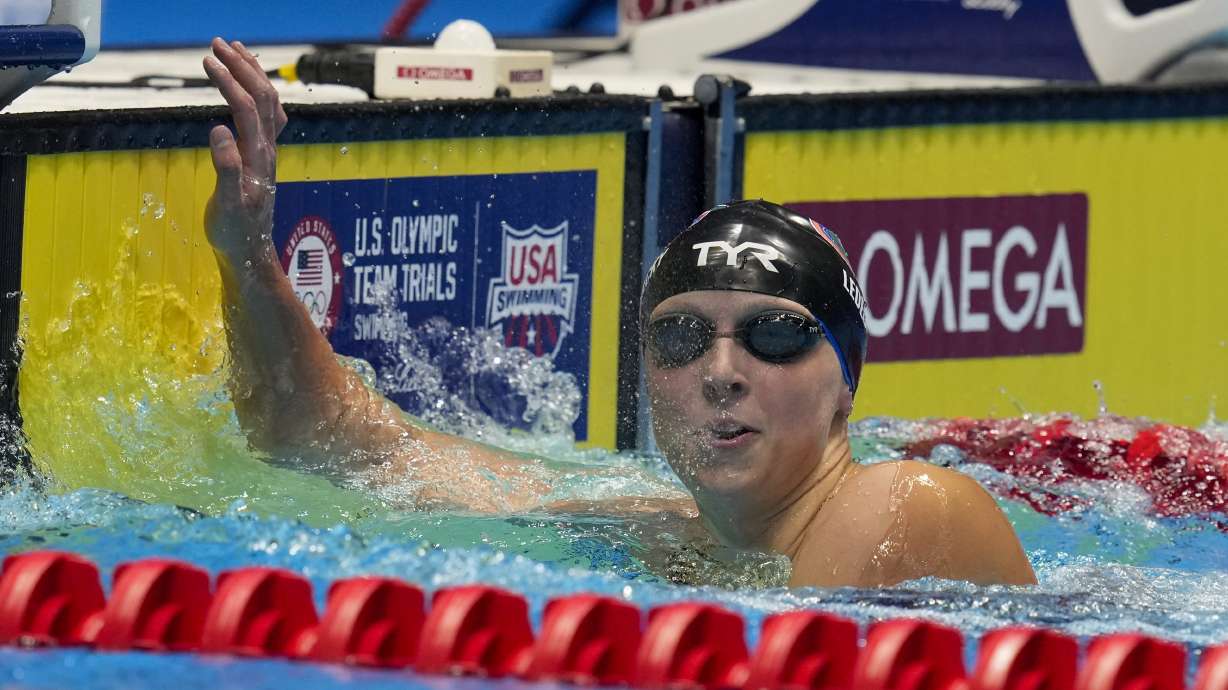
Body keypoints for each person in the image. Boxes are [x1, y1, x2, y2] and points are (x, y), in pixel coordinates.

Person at [202, 38, 1037, 588]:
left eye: (774, 334)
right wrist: (249, 258)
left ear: (847, 384)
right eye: (681, 336)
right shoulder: (664, 532)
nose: (720, 373)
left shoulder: (910, 503)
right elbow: (332, 443)